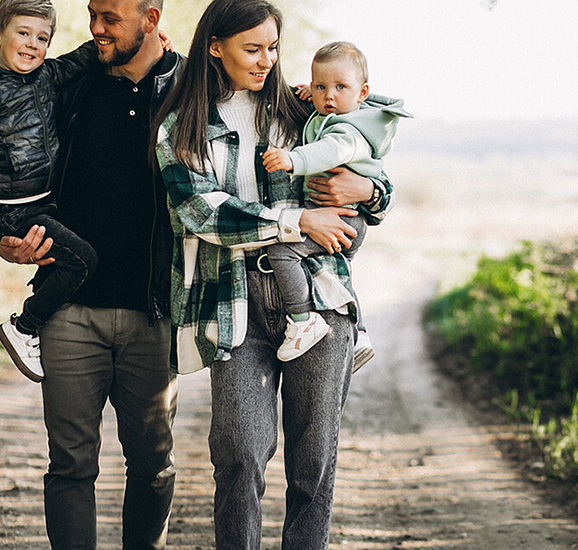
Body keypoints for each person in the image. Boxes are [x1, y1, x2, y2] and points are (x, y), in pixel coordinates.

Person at [152, 0, 392, 548]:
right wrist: (293, 219)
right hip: (230, 299)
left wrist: (372, 191)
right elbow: (200, 211)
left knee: (314, 460)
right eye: (252, 48)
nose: (267, 61)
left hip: (318, 296)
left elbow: (373, 152)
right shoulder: (183, 127)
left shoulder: (304, 110)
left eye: (274, 48)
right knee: (238, 451)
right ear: (216, 46)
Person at [0, 0, 182, 548]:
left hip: (155, 309)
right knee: (70, 464)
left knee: (152, 464)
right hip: (69, 310)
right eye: (92, 13)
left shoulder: (191, 86)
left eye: (111, 18)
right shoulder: (67, 86)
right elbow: (10, 156)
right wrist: (10, 234)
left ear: (150, 20)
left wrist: (367, 187)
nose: (95, 28)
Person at [0, 0, 99, 384]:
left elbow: (85, 57)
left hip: (42, 202)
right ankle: (26, 326)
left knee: (69, 252)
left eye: (42, 37)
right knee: (83, 260)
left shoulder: (47, 75)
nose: (32, 44)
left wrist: (150, 37)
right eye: (23, 33)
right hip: (10, 210)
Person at [260, 41, 410, 365]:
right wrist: (307, 94)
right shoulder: (332, 113)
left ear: (362, 92)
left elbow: (330, 151)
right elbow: (321, 114)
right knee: (332, 270)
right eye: (321, 86)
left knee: (282, 251)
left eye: (340, 87)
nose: (329, 95)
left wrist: (292, 159)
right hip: (342, 216)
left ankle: (302, 320)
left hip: (347, 217)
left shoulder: (350, 130)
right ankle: (359, 333)